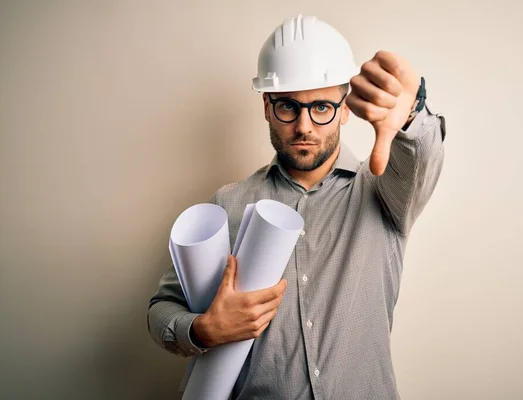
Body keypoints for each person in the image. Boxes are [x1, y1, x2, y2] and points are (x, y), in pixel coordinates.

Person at [148, 14, 446, 399]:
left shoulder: (386, 195)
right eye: (289, 106)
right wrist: (204, 329)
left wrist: (411, 115)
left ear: (345, 109)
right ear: (267, 106)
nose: (304, 126)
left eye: (321, 107)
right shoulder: (228, 204)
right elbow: (163, 308)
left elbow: (421, 158)